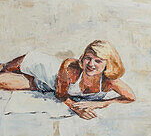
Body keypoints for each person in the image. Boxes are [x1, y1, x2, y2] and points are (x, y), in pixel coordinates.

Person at [0, 40, 135, 120]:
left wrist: (99, 104)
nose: (91, 64)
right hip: (44, 69)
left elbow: (131, 97)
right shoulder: (70, 67)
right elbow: (61, 94)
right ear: (83, 58)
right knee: (5, 68)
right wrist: (76, 109)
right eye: (88, 58)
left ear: (108, 63)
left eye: (98, 61)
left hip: (41, 84)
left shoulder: (110, 81)